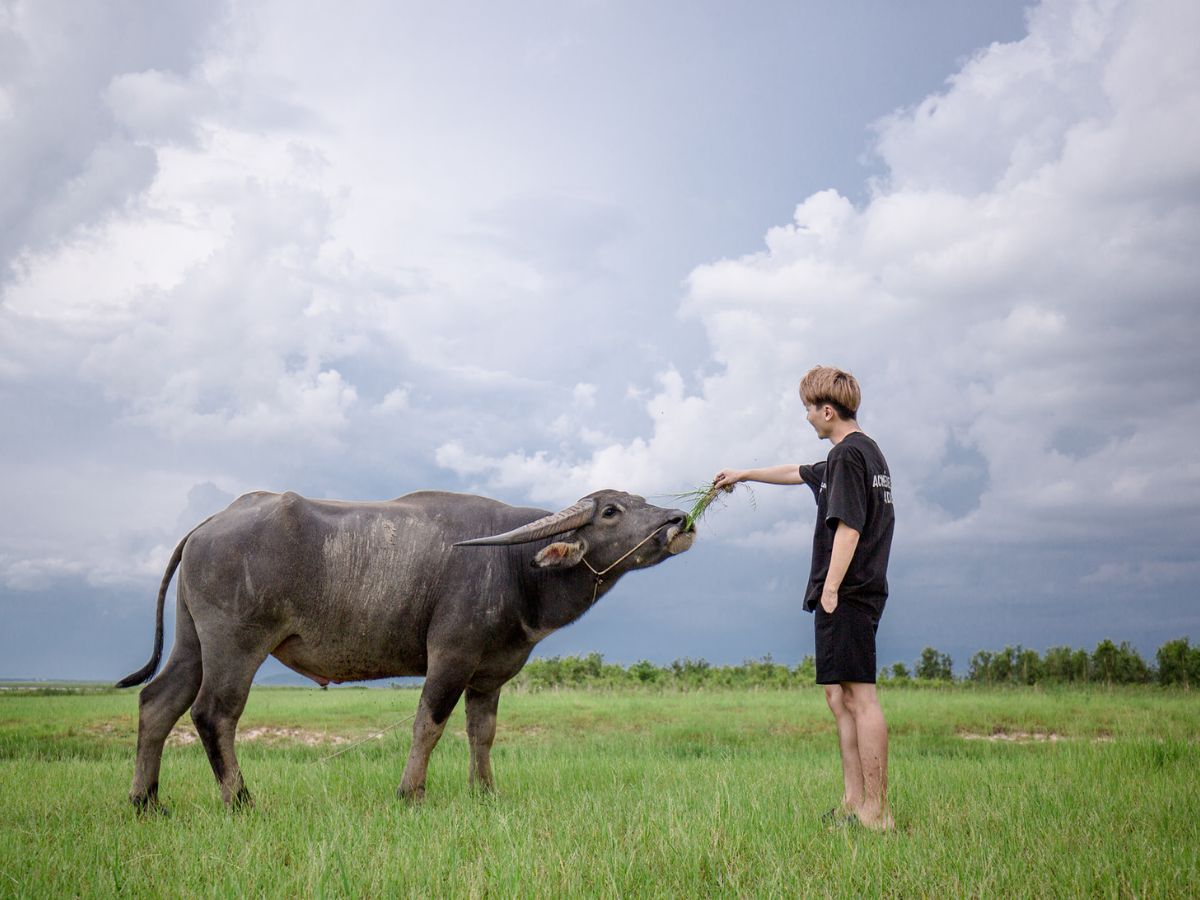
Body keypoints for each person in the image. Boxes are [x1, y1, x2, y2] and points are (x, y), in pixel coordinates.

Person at [714, 366, 895, 831]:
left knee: (861, 698)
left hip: (849, 591)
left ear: (827, 410)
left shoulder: (848, 458)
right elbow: (798, 472)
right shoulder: (862, 452)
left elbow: (850, 527)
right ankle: (853, 802)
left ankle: (877, 812)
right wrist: (745, 473)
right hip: (851, 590)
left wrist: (831, 588)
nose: (808, 419)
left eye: (809, 411)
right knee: (839, 697)